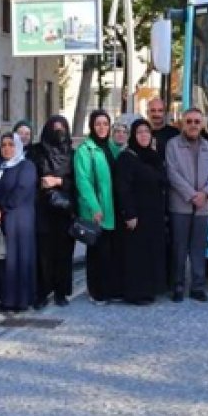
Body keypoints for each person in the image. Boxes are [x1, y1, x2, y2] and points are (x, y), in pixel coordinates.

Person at [166, 108, 208, 303]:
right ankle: (177, 286)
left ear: (202, 124)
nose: (193, 125)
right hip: (180, 205)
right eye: (189, 121)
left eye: (197, 122)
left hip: (202, 207)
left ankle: (198, 287)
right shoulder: (173, 145)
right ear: (182, 123)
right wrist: (191, 195)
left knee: (198, 248)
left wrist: (204, 193)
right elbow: (172, 173)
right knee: (179, 248)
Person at [115, 119, 169, 305]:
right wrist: (129, 214)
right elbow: (123, 188)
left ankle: (151, 289)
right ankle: (136, 293)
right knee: (137, 255)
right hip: (137, 215)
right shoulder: (127, 158)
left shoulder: (153, 156)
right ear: (133, 136)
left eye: (147, 131)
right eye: (139, 132)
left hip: (153, 213)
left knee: (151, 252)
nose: (144, 135)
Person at [0, 134, 38, 313]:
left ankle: (18, 300)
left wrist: (1, 207)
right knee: (0, 259)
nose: (7, 149)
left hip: (18, 221)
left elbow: (21, 191)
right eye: (3, 145)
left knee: (16, 260)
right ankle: (1, 298)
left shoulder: (26, 166)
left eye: (11, 145)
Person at [76, 110, 122, 303]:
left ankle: (110, 288)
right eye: (98, 124)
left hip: (113, 208)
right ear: (92, 126)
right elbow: (83, 181)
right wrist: (94, 207)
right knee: (97, 253)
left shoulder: (112, 147)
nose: (102, 128)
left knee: (111, 253)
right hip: (98, 210)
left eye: (105, 124)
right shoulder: (85, 150)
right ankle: (96, 291)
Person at [34, 116, 76, 308]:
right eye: (55, 129)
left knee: (64, 253)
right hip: (42, 209)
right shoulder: (37, 152)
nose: (59, 133)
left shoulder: (72, 155)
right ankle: (42, 292)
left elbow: (79, 183)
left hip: (65, 211)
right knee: (43, 253)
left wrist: (58, 182)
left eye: (62, 129)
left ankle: (61, 292)